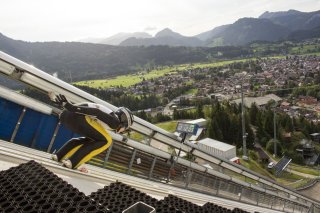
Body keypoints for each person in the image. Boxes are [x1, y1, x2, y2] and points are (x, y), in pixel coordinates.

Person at [49, 93, 134, 169]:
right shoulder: (115, 122)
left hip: (66, 115)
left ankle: (58, 156)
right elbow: (96, 112)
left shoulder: (110, 114)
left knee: (91, 139)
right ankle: (73, 162)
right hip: (75, 114)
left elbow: (91, 110)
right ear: (124, 122)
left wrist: (69, 106)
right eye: (126, 128)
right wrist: (71, 107)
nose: (124, 130)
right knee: (107, 140)